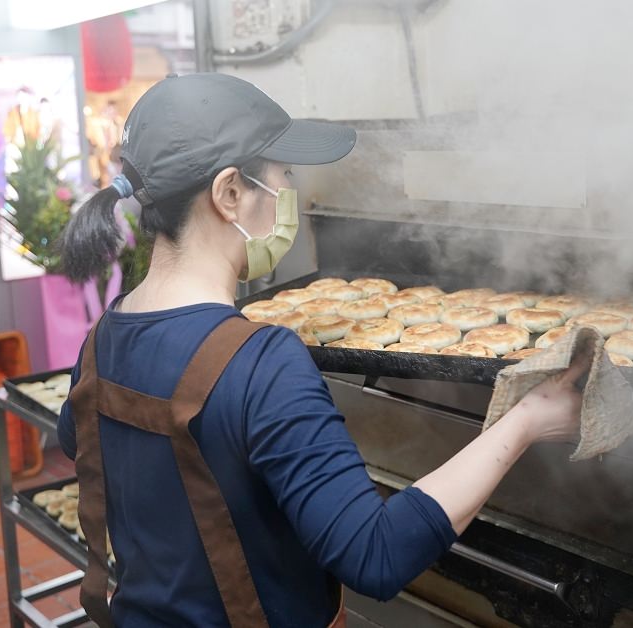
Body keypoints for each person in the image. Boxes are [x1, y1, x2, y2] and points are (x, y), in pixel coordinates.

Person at [57, 73, 584, 628]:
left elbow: (88, 445)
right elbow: (375, 556)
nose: (291, 192)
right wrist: (524, 420)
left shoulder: (103, 339)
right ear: (229, 192)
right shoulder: (258, 360)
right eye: (283, 173)